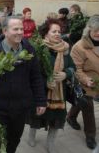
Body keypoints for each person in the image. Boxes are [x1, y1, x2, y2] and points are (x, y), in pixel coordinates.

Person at [0, 16, 47, 153]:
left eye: (21, 28)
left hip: (20, 107)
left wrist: (41, 101)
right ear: (5, 31)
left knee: (14, 140)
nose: (20, 32)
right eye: (15, 29)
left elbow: (35, 77)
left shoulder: (28, 49)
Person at [27, 19, 75, 152]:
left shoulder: (64, 48)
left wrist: (66, 74)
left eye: (59, 31)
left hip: (60, 93)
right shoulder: (39, 49)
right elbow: (32, 73)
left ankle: (51, 143)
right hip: (41, 92)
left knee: (57, 118)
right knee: (37, 116)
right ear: (46, 33)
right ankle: (32, 134)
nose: (57, 34)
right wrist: (46, 82)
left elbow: (72, 66)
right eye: (54, 31)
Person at [68, 15, 99, 150]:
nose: (98, 33)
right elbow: (76, 69)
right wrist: (86, 80)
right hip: (86, 82)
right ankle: (90, 135)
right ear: (89, 29)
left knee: (80, 103)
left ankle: (70, 117)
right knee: (88, 107)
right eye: (96, 30)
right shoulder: (79, 47)